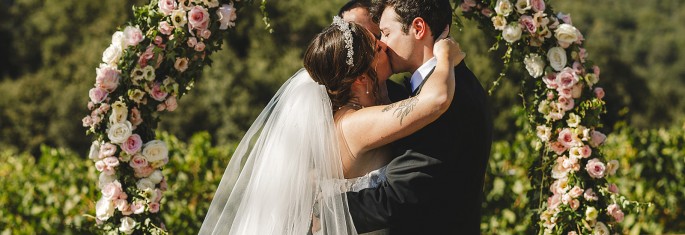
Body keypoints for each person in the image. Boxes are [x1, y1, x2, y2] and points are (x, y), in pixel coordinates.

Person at [199, 15, 465, 234]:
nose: (385, 47)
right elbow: (437, 100)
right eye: (377, 49)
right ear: (361, 78)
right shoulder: (355, 124)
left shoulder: (343, 119)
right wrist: (445, 55)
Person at [345, 0, 494, 234]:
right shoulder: (444, 83)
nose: (382, 45)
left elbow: (399, 197)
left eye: (385, 33)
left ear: (418, 28)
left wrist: (319, 211)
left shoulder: (448, 101)